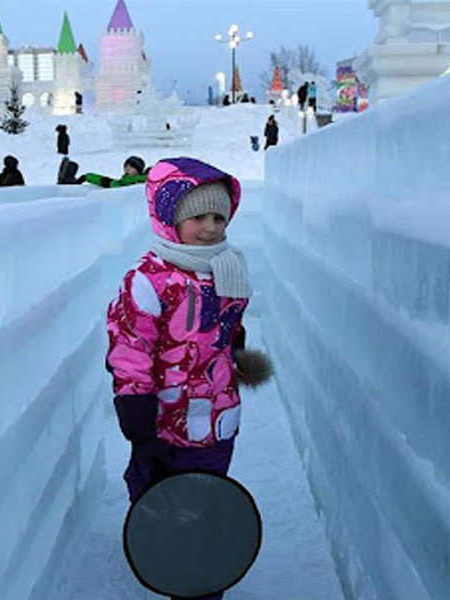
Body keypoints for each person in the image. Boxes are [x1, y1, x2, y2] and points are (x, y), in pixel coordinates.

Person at [106, 157, 270, 600]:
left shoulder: (226, 267)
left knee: (205, 500)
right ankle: (162, 555)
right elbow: (131, 353)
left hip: (217, 418)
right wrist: (139, 427)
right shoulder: (147, 282)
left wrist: (234, 353)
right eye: (197, 217)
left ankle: (200, 577)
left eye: (219, 216)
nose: (211, 227)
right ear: (169, 219)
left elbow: (228, 329)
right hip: (162, 423)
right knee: (158, 496)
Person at [78, 155, 147, 188]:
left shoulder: (142, 182)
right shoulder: (124, 182)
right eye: (126, 167)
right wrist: (87, 177)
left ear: (138, 169)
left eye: (131, 167)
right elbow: (105, 181)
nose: (127, 169)